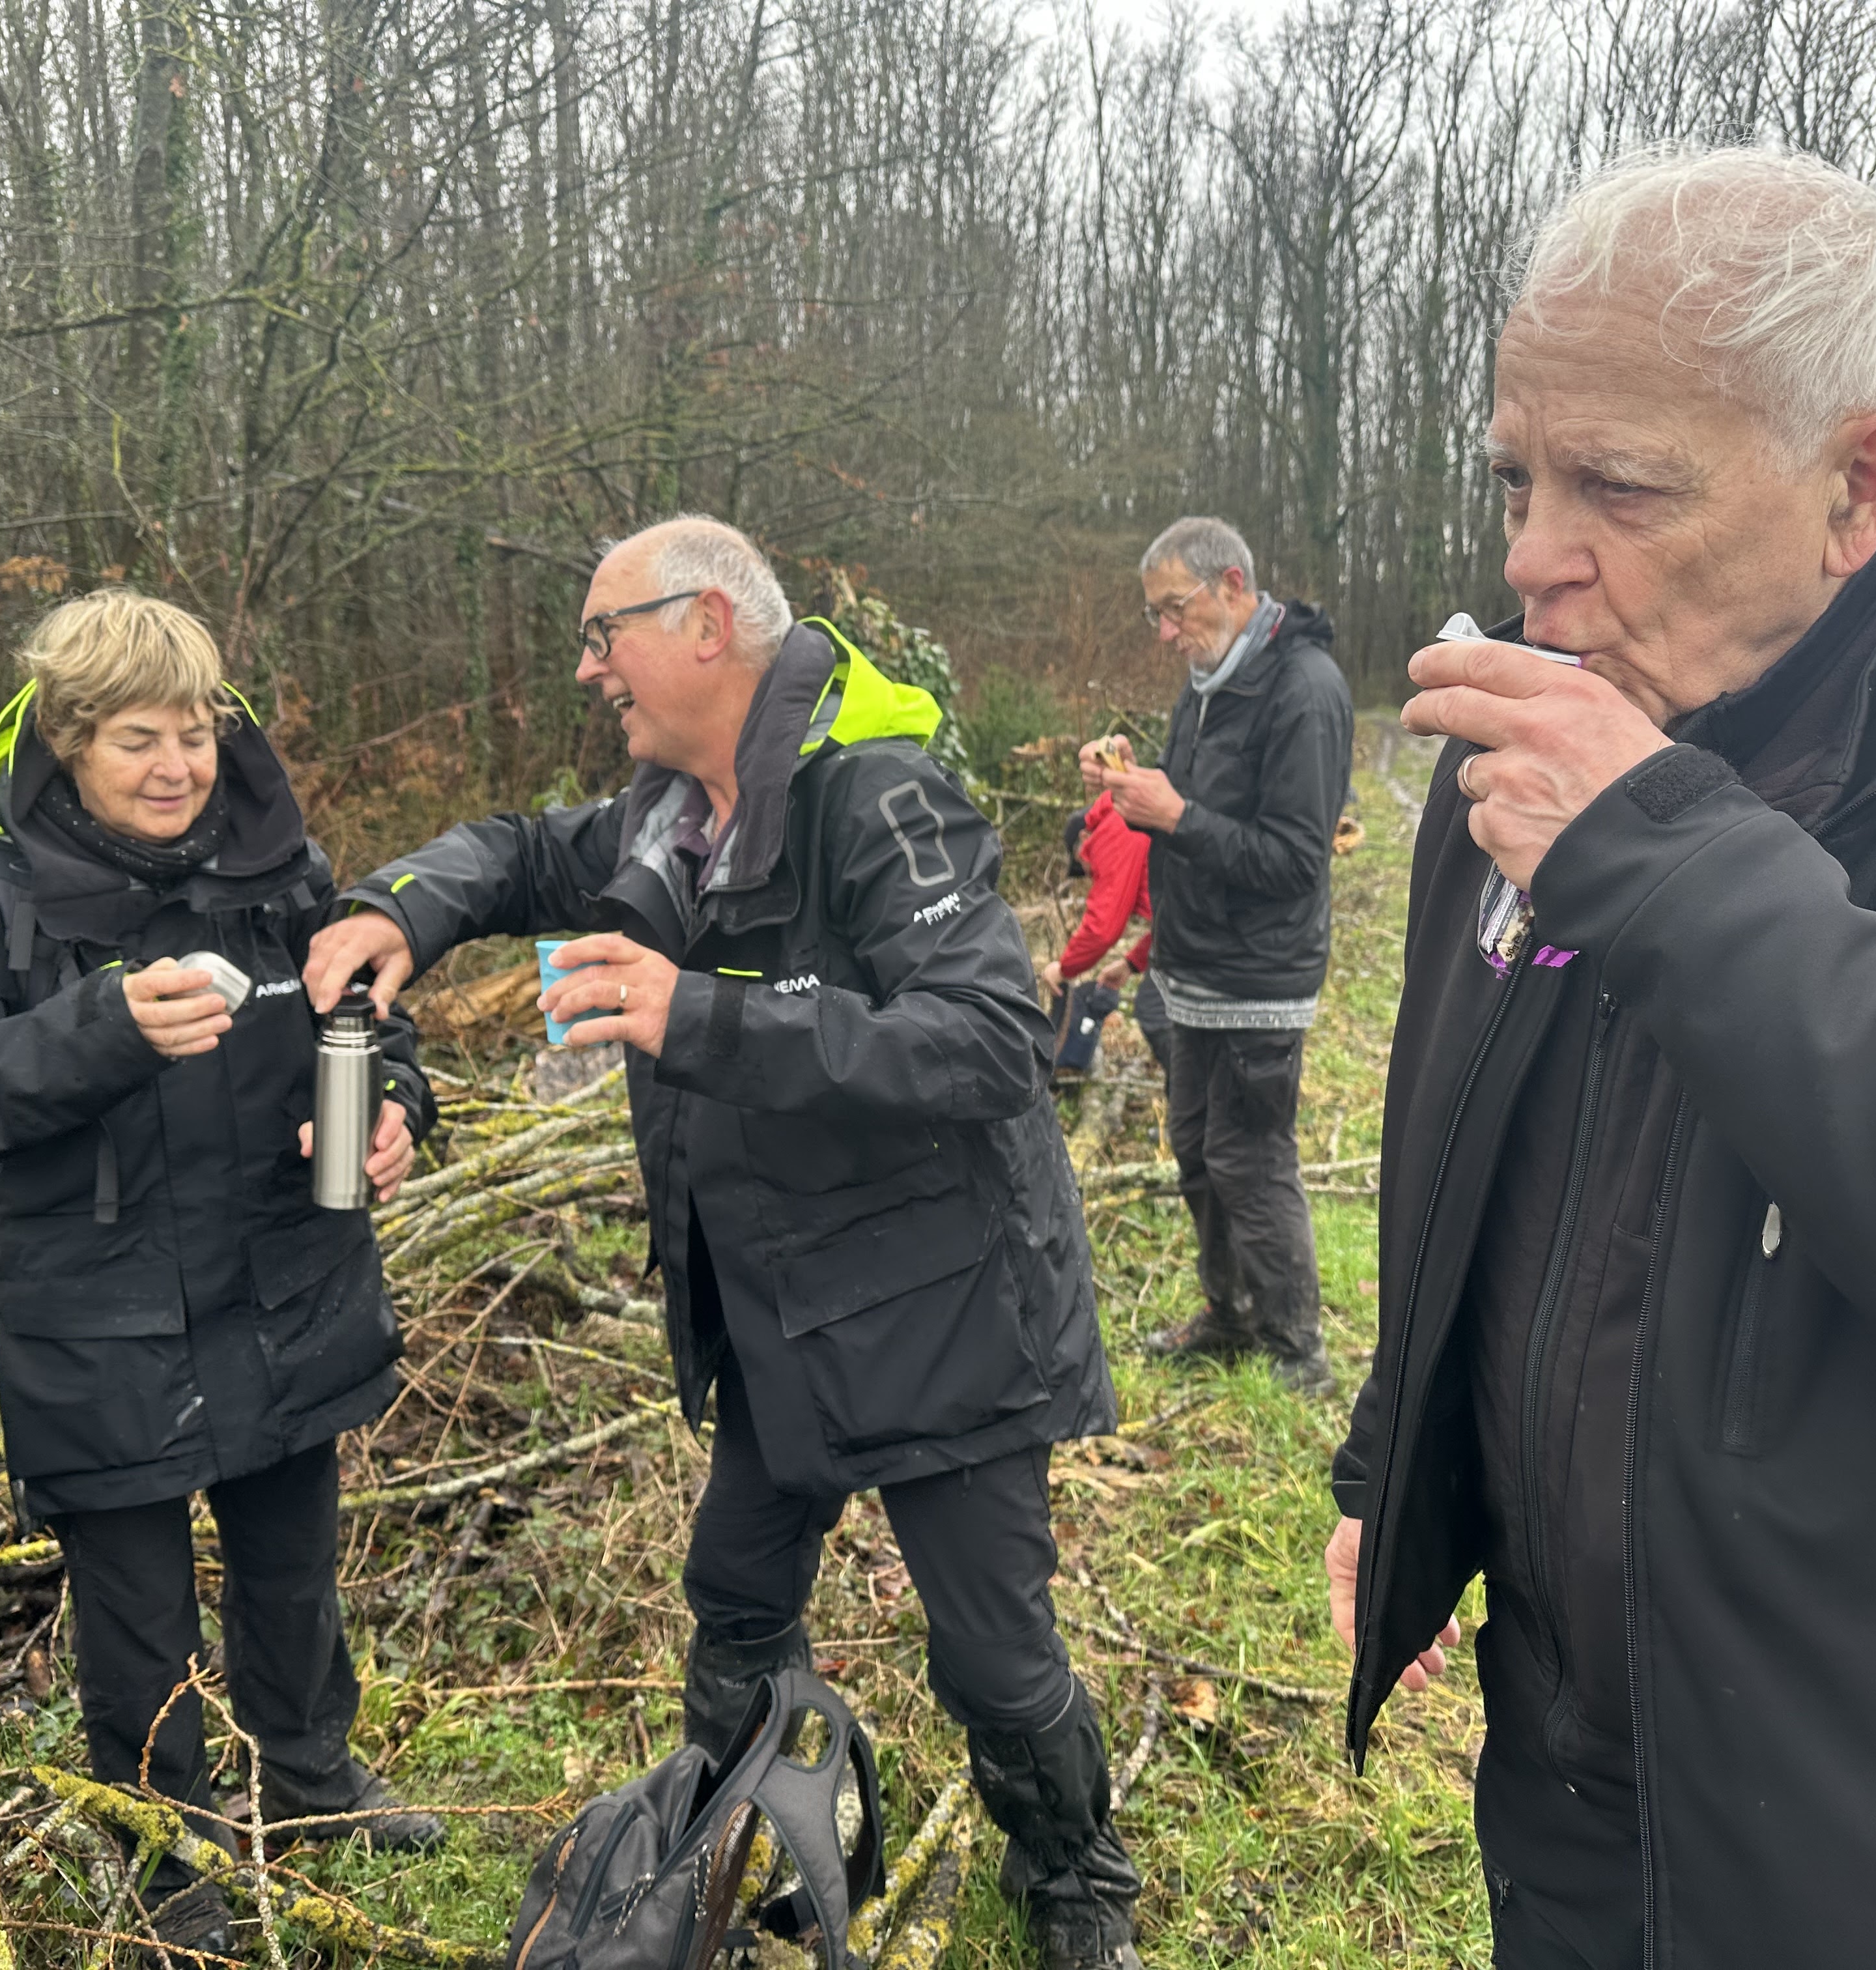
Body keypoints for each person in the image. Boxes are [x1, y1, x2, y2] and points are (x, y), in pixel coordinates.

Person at [1328, 145, 1876, 1970]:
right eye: (1517, 478)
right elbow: (1465, 1160)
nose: (1531, 556)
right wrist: (1390, 1475)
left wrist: (1675, 865)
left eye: (1620, 487)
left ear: (1856, 487)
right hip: (1571, 1812)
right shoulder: (1541, 736)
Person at [302, 515, 1145, 1970]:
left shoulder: (877, 794)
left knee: (996, 1657)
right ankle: (754, 1847)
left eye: (603, 634)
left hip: (942, 1310)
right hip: (776, 1307)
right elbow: (519, 852)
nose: (587, 668)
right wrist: (402, 908)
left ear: (706, 627)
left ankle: (1075, 1880)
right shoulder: (671, 807)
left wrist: (702, 1015)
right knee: (737, 1601)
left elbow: (986, 1038)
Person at [0, 591, 443, 1965]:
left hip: (287, 1289)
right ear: (70, 742)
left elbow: (376, 1017)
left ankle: (311, 1784)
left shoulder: (285, 872)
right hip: (96, 1324)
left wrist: (396, 1102)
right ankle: (171, 1856)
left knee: (292, 1573)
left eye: (194, 733)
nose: (176, 767)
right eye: (136, 739)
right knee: (137, 1618)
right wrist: (97, 1028)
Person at [1078, 518, 1350, 1392]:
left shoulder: (1304, 691)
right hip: (1191, 968)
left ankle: (1297, 1350)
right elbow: (1189, 809)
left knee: (1251, 1159)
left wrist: (1177, 816)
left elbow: (1296, 861)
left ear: (1231, 584)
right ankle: (1230, 1316)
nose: (1166, 632)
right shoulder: (1207, 682)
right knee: (1197, 1149)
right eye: (1155, 614)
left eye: (1174, 608)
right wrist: (1131, 786)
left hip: (1258, 977)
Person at [1040, 787, 1163, 1070]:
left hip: (1218, 926)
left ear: (1085, 838)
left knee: (1157, 1013)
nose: (1089, 872)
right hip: (1204, 923)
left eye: (1083, 864)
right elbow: (1171, 921)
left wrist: (1064, 969)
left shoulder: (1114, 829)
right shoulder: (1126, 821)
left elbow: (1103, 928)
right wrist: (1132, 964)